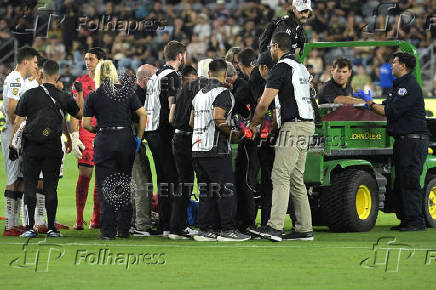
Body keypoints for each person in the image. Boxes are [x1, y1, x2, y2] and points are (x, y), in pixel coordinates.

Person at [249, 32, 315, 242]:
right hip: (307, 125)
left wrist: (252, 124)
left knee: (279, 175)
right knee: (296, 179)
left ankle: (274, 227)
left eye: (270, 47)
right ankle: (304, 228)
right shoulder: (301, 68)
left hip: (294, 127)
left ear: (276, 46)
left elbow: (263, 103)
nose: (270, 50)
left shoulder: (281, 68)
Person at [357, 52, 428, 231]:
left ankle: (416, 221)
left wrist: (370, 104)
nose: (391, 66)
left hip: (412, 141)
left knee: (410, 180)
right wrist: (373, 104)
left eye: (394, 62)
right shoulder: (400, 86)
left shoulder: (408, 87)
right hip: (404, 141)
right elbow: (388, 106)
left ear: (403, 66)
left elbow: (390, 110)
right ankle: (407, 219)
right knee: (402, 180)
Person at [12, 60, 83, 238]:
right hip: (53, 147)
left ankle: (29, 228)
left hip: (31, 146)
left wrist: (13, 144)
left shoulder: (29, 94)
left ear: (41, 75)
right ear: (57, 75)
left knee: (30, 185)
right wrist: (80, 93)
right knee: (51, 188)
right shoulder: (63, 96)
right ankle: (51, 228)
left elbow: (18, 121)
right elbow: (80, 114)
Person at [82, 60, 147, 240]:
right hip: (125, 139)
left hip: (105, 141)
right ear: (114, 73)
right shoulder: (127, 92)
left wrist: (98, 130)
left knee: (106, 187)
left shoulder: (94, 95)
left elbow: (86, 123)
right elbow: (142, 114)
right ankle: (124, 229)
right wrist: (139, 138)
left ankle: (108, 231)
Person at [190, 59, 250, 242]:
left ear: (208, 74)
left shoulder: (198, 94)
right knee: (226, 189)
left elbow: (191, 122)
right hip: (215, 149)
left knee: (206, 190)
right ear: (225, 75)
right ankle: (227, 230)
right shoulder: (223, 93)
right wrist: (233, 134)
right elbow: (218, 117)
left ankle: (205, 229)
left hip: (197, 148)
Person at [144, 40, 184, 237]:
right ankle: (173, 225)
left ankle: (164, 224)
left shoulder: (155, 76)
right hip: (164, 131)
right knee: (173, 178)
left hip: (151, 132)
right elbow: (172, 106)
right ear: (180, 56)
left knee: (163, 178)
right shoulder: (172, 76)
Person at [1, 47, 39, 236]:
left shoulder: (18, 79)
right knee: (13, 177)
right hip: (12, 135)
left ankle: (15, 223)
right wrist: (17, 134)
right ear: (26, 61)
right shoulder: (15, 78)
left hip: (17, 133)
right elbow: (11, 109)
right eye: (35, 62)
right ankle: (9, 225)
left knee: (21, 178)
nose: (35, 66)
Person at [168, 65, 207, 240]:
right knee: (199, 181)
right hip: (191, 139)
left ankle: (177, 226)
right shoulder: (197, 91)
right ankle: (186, 226)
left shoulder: (180, 91)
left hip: (177, 138)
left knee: (182, 183)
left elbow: (171, 118)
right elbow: (193, 121)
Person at [70, 47, 106, 230]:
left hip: (103, 132)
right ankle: (78, 218)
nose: (87, 62)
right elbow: (75, 112)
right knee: (85, 174)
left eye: (91, 59)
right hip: (86, 131)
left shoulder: (108, 83)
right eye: (86, 58)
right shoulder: (79, 82)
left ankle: (96, 219)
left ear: (100, 61)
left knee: (101, 177)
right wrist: (74, 136)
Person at [130, 64, 157, 237]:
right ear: (144, 80)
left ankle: (134, 222)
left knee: (136, 183)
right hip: (133, 142)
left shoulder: (132, 93)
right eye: (153, 79)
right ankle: (142, 225)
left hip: (128, 142)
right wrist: (140, 138)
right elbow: (142, 118)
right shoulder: (137, 96)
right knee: (141, 183)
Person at [250, 51, 276, 227]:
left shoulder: (271, 84)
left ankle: (263, 222)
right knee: (268, 182)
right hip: (275, 138)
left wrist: (253, 125)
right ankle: (266, 222)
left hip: (269, 139)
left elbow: (265, 107)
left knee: (264, 181)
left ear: (264, 67)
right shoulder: (278, 80)